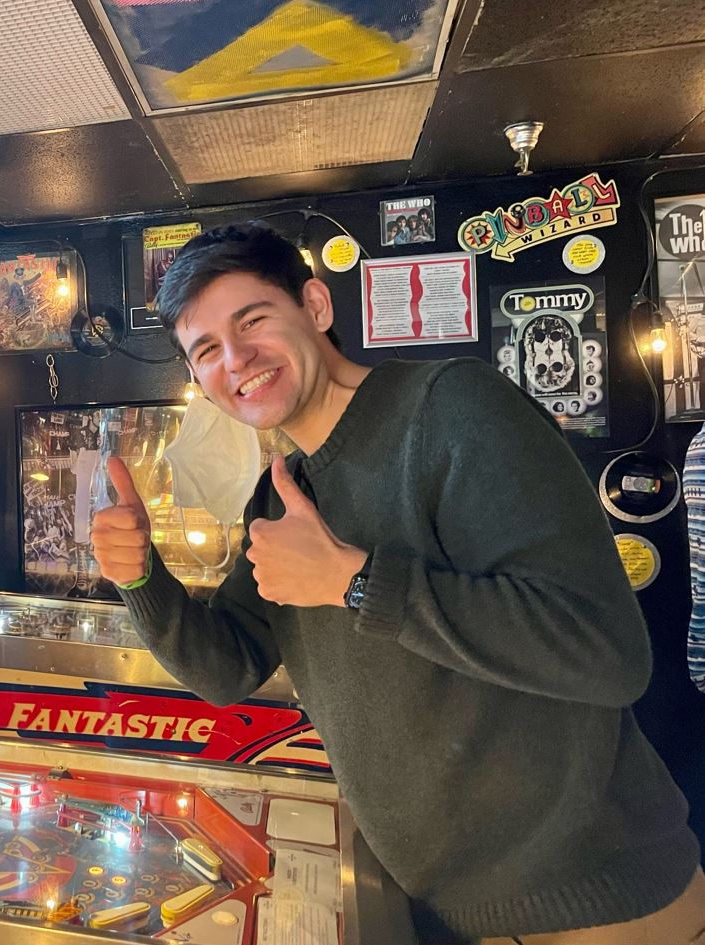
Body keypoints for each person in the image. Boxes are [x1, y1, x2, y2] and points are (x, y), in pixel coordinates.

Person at [90, 223, 705, 945]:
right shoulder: (282, 496)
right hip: (449, 907)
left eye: (252, 320)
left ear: (315, 305)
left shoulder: (451, 407)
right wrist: (140, 577)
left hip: (599, 900)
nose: (236, 359)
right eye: (206, 350)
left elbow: (605, 651)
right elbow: (226, 669)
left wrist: (354, 582)